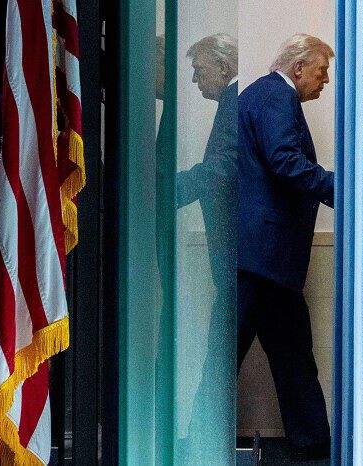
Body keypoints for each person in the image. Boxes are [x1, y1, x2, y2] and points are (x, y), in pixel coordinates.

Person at [237, 33, 334, 460]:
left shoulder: (265, 94)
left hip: (263, 256)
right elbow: (285, 162)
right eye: (322, 70)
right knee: (254, 352)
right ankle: (313, 444)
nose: (325, 80)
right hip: (264, 255)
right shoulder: (277, 95)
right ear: (298, 68)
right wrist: (341, 188)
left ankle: (313, 443)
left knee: (291, 351)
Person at [156, 33, 239, 461]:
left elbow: (224, 167)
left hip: (235, 251)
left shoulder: (234, 104)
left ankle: (201, 440)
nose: (192, 79)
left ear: (223, 68)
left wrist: (171, 190)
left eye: (198, 69)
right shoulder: (231, 104)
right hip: (240, 253)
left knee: (222, 347)